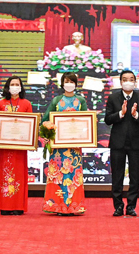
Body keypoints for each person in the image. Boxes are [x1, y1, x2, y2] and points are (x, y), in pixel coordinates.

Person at [105, 70, 139, 217]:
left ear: (135, 82)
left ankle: (131, 206)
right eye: (125, 79)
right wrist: (121, 113)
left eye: (131, 79)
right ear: (120, 82)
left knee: (135, 177)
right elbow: (107, 119)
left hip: (136, 143)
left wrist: (135, 115)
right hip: (117, 143)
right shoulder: (113, 97)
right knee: (117, 176)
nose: (128, 82)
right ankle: (118, 206)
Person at [42, 72, 87, 215]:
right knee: (58, 176)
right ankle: (57, 206)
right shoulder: (56, 100)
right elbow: (45, 119)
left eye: (72, 82)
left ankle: (74, 206)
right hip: (58, 147)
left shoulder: (81, 100)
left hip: (74, 146)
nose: (69, 84)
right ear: (62, 84)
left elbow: (86, 121)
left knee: (73, 175)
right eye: (66, 81)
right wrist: (48, 132)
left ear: (76, 84)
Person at [0, 75, 33, 215]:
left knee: (19, 175)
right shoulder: (1, 103)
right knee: (5, 174)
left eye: (17, 84)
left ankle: (18, 206)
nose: (15, 87)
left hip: (20, 147)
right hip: (5, 147)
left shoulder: (26, 104)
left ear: (21, 87)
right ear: (7, 87)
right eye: (12, 84)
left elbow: (31, 125)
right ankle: (5, 205)